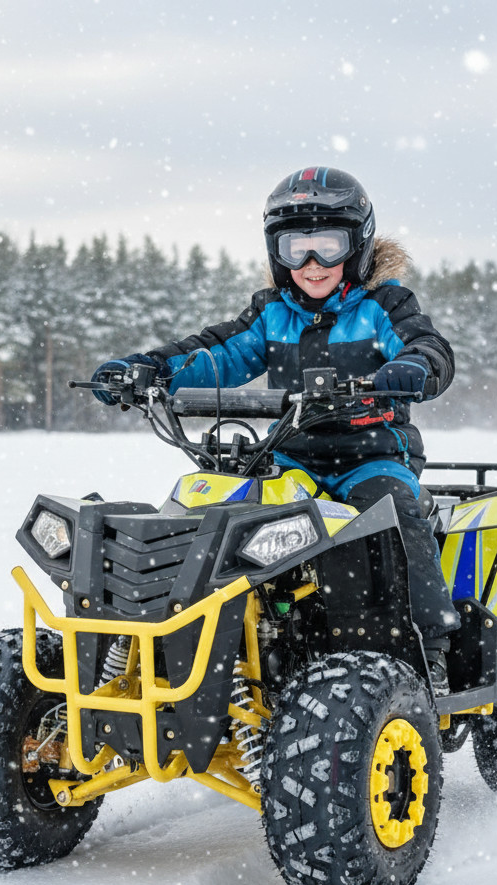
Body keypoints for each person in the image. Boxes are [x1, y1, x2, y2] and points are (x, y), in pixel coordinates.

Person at [92, 166, 459, 674]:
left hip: (372, 457)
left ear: (358, 245)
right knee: (215, 514)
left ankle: (429, 649)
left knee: (392, 512)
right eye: (295, 247)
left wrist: (412, 367)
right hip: (287, 456)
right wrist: (148, 369)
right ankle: (192, 644)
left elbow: (428, 346)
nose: (312, 263)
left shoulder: (384, 305)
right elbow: (215, 352)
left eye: (328, 245)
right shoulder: (271, 313)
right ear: (275, 251)